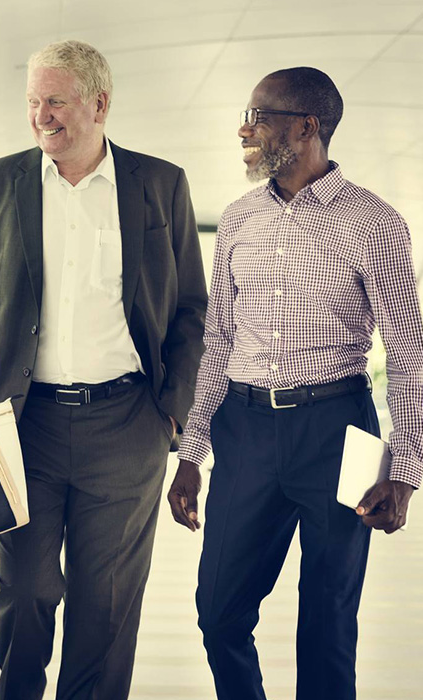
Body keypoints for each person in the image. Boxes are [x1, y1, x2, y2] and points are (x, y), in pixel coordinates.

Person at [0, 39, 207, 700]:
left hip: (127, 425)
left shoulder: (160, 184)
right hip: (20, 423)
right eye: (33, 102)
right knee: (24, 587)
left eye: (56, 101)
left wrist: (171, 414)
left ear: (100, 103)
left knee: (106, 604)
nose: (41, 116)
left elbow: (190, 308)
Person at [168, 67, 423, 700]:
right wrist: (192, 451)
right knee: (218, 611)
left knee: (328, 620)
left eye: (258, 116)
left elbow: (408, 355)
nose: (244, 130)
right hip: (245, 429)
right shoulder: (238, 219)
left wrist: (406, 470)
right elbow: (219, 342)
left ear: (307, 126)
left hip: (339, 429)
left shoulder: (376, 223)